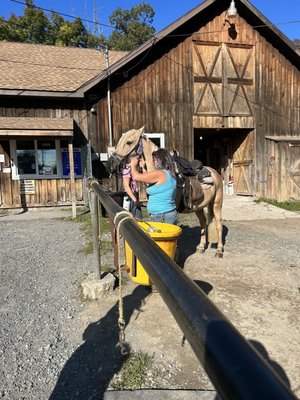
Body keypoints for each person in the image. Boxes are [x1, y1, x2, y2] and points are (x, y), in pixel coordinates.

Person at [130, 149, 178, 224]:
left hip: (161, 216)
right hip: (168, 213)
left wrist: (132, 164)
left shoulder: (160, 173)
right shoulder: (170, 173)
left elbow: (136, 176)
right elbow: (151, 182)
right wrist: (143, 168)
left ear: (159, 160)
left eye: (154, 160)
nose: (152, 163)